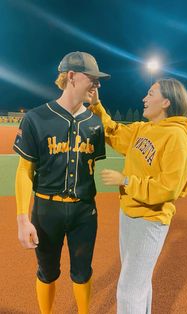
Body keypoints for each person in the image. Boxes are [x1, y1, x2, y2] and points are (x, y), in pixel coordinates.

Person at [14, 51, 110, 314]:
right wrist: (23, 219)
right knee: (47, 273)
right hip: (47, 211)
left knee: (82, 273)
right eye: (92, 78)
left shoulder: (94, 122)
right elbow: (25, 170)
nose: (97, 84)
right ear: (71, 76)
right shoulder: (36, 117)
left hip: (84, 212)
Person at [89, 78, 187, 314]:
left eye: (150, 93)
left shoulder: (176, 136)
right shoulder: (143, 129)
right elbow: (114, 132)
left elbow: (170, 187)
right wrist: (96, 106)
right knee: (139, 282)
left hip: (150, 219)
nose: (144, 98)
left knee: (128, 290)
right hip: (129, 212)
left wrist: (127, 181)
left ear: (166, 101)